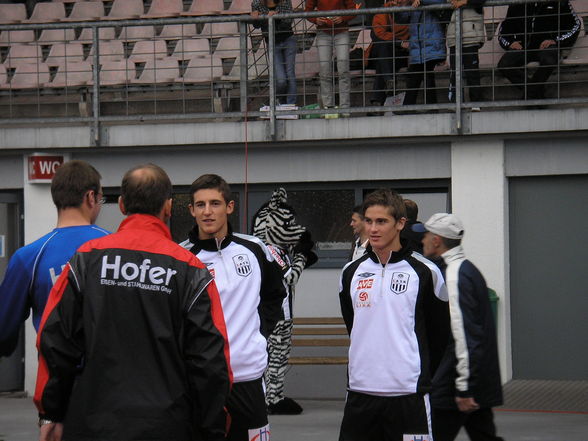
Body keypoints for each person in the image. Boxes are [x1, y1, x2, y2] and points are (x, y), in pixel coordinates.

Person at [34, 164, 231, 441]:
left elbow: (55, 340)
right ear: (168, 206)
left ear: (123, 204)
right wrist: (212, 428)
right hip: (168, 425)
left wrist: (51, 412)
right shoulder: (190, 268)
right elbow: (211, 359)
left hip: (93, 423)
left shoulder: (86, 259)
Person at [180, 174, 287, 441]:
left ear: (229, 206)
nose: (207, 212)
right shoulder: (180, 257)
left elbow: (276, 295)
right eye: (200, 205)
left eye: (215, 203)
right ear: (191, 210)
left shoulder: (255, 248)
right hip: (200, 383)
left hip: (247, 379)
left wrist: (257, 332)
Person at [338, 188, 447, 441]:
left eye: (382, 221)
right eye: (369, 221)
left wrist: (421, 378)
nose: (373, 229)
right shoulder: (350, 272)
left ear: (400, 223)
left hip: (408, 394)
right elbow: (353, 324)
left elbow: (439, 334)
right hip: (360, 392)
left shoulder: (425, 272)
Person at [0, 160, 109, 357]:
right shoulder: (118, 246)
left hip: (56, 377)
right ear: (91, 197)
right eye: (101, 199)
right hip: (113, 377)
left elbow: (3, 331)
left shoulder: (28, 257)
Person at [415, 213, 504, 441]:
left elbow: (464, 334)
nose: (422, 240)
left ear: (436, 240)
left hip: (456, 381)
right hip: (475, 376)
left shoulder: (454, 275)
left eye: (426, 235)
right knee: (483, 434)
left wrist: (465, 386)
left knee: (427, 434)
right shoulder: (469, 269)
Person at [251, 187, 318, 415]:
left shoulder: (264, 250)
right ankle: (272, 397)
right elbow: (289, 276)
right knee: (275, 358)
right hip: (277, 317)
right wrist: (301, 255)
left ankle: (270, 395)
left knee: (271, 358)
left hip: (273, 315)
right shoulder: (270, 251)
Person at [497, 0, 580, 100]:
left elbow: (575, 25)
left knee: (549, 60)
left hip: (547, 45)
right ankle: (536, 91)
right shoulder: (516, 3)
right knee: (504, 65)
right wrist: (510, 42)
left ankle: (531, 93)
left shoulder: (559, 2)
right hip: (523, 47)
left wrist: (556, 40)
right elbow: (505, 29)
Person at [305, 0, 355, 112]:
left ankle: (345, 107)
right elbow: (307, 11)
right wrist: (315, 19)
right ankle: (328, 107)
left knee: (343, 68)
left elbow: (353, 8)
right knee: (324, 69)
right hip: (323, 32)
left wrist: (342, 18)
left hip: (341, 32)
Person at [396, 0, 447, 107]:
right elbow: (402, 19)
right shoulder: (413, 3)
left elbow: (441, 2)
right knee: (416, 74)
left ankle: (415, 106)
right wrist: (399, 7)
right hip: (418, 47)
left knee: (425, 74)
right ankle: (418, 106)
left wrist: (421, 1)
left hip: (432, 43)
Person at [251, 0, 297, 105]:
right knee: (281, 79)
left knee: (290, 74)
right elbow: (257, 25)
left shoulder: (285, 1)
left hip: (288, 39)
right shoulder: (256, 3)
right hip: (272, 42)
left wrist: (274, 18)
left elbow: (288, 21)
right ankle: (280, 101)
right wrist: (258, 17)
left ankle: (290, 105)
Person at [446, 0, 486, 107]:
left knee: (472, 73)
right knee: (455, 72)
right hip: (454, 36)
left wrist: (464, 1)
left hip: (470, 37)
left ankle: (476, 104)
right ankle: (456, 104)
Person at [369, 1, 410, 108]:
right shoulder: (383, 13)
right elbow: (379, 34)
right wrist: (399, 42)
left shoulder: (410, 13)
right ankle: (389, 82)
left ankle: (377, 102)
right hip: (387, 51)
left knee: (382, 62)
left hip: (401, 54)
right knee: (383, 47)